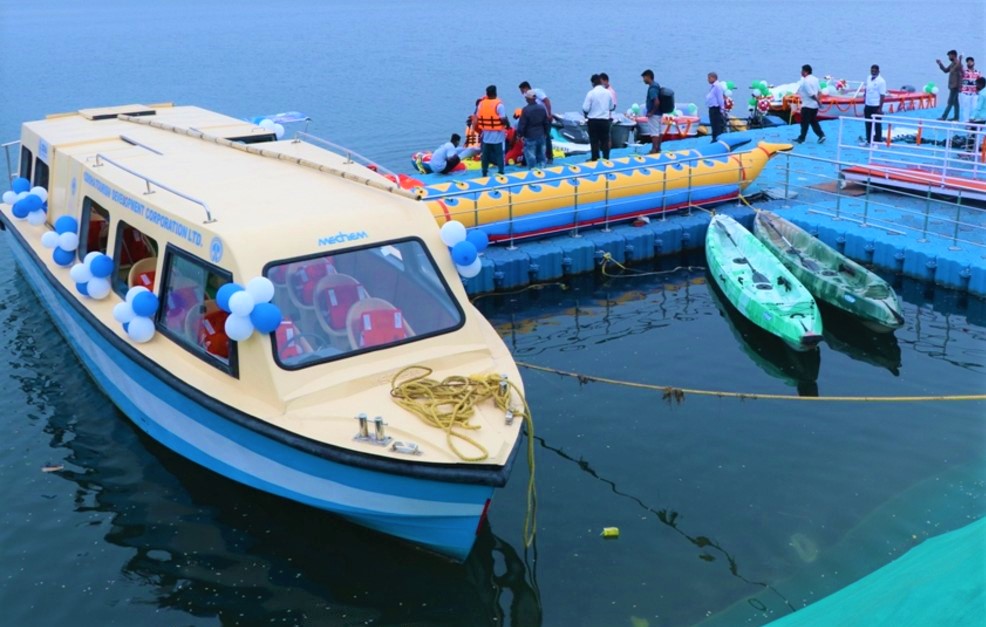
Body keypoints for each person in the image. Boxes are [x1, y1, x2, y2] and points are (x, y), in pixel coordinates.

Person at [473, 85, 510, 177]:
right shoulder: (499, 105)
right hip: (497, 134)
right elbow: (503, 119)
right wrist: (508, 125)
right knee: (499, 153)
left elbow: (477, 118)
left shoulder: (481, 104)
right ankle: (501, 171)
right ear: (495, 93)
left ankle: (484, 171)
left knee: (485, 154)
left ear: (487, 93)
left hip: (486, 133)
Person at [518, 81, 554, 163]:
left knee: (546, 136)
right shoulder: (529, 98)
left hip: (544, 116)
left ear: (525, 88)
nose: (522, 93)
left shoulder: (537, 92)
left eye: (522, 91)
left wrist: (549, 113)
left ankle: (549, 157)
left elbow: (546, 101)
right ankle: (539, 157)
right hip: (537, 117)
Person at [582, 74, 614, 161]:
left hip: (593, 121)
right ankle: (606, 158)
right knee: (605, 140)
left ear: (592, 83)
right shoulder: (608, 93)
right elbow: (611, 107)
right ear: (600, 81)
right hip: (604, 120)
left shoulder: (591, 93)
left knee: (594, 141)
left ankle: (595, 158)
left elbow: (585, 108)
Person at [794, 64, 825, 144]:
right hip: (814, 106)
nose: (801, 72)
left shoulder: (805, 81)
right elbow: (820, 91)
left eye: (802, 71)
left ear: (806, 72)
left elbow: (811, 94)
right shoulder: (815, 79)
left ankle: (802, 138)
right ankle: (821, 135)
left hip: (807, 105)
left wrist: (817, 101)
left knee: (804, 122)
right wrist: (818, 101)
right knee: (813, 121)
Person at [861, 64, 887, 143]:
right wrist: (865, 99)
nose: (873, 72)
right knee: (868, 123)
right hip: (868, 105)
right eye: (872, 70)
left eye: (875, 70)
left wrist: (880, 108)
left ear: (878, 71)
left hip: (876, 106)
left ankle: (878, 140)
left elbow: (882, 95)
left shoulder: (881, 81)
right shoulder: (868, 78)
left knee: (877, 124)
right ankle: (868, 139)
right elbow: (867, 89)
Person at [936, 49, 963, 121]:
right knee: (956, 103)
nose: (949, 57)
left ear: (954, 55)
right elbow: (945, 70)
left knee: (950, 102)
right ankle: (956, 117)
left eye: (950, 56)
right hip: (952, 86)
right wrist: (940, 64)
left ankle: (944, 117)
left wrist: (960, 87)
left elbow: (961, 75)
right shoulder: (953, 63)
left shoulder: (958, 64)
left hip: (955, 86)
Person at [641, 69, 662, 153]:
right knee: (659, 131)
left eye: (644, 77)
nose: (643, 80)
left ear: (648, 77)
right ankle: (658, 148)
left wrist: (651, 112)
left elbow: (656, 101)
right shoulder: (657, 85)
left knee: (654, 132)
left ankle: (654, 149)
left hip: (654, 114)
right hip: (659, 113)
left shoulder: (652, 88)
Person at [959, 56, 981, 122]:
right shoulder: (964, 72)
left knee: (975, 107)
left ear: (974, 63)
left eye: (971, 62)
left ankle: (974, 121)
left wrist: (979, 90)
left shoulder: (978, 72)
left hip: (975, 94)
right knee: (966, 108)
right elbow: (960, 68)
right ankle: (966, 122)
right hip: (965, 93)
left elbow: (981, 82)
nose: (969, 63)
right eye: (968, 62)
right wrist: (960, 60)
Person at [706, 71, 726, 143]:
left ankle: (717, 138)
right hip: (712, 108)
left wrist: (722, 108)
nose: (707, 80)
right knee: (713, 123)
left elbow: (720, 98)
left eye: (709, 78)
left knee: (716, 124)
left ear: (713, 78)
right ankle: (714, 137)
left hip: (716, 108)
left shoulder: (717, 86)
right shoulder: (713, 86)